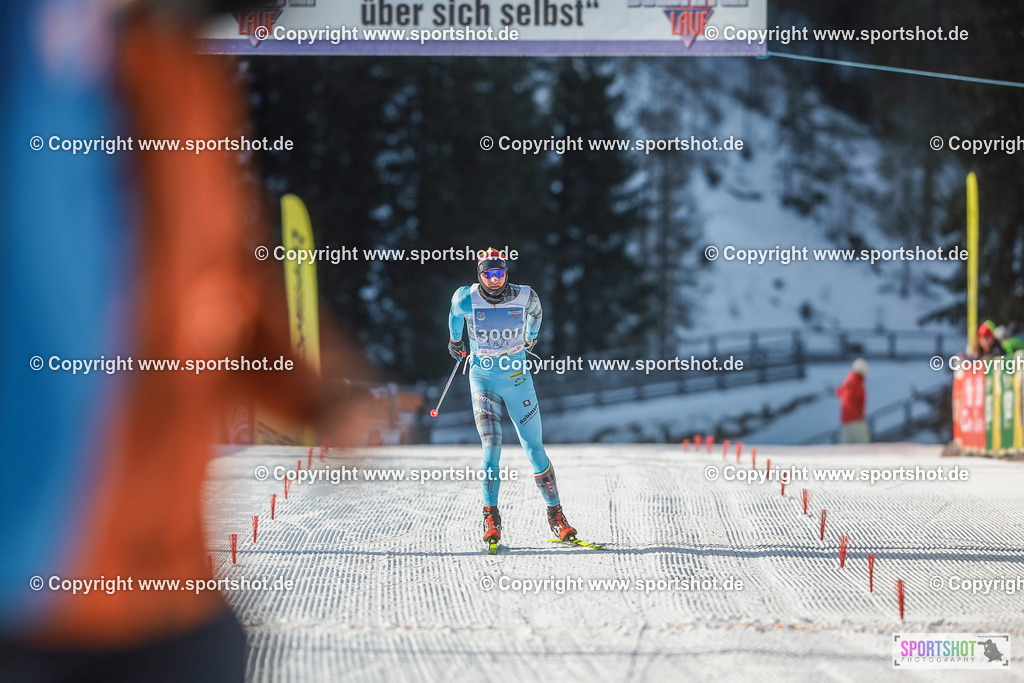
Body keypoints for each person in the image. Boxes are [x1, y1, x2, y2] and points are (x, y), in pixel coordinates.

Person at [447, 248, 577, 547]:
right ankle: (491, 516)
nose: (494, 280)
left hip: (518, 379)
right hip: (483, 379)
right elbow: (454, 314)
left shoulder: (525, 296)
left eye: (499, 273)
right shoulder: (465, 297)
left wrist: (531, 337)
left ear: (506, 273)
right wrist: (455, 341)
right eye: (487, 274)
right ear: (478, 275)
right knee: (492, 446)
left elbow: (537, 314)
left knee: (534, 448)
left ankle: (556, 517)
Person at [836, 358, 870, 444]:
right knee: (862, 442)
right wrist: (857, 415)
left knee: (847, 444)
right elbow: (846, 400)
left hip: (848, 418)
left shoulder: (852, 380)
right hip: (854, 419)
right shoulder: (854, 382)